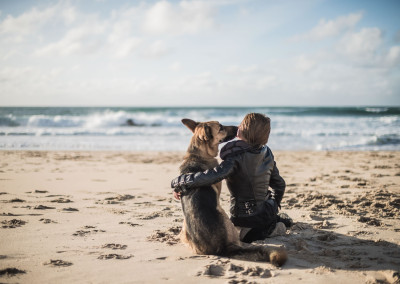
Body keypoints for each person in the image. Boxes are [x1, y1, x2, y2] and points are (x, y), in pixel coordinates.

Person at [171, 113, 292, 243]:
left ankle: (273, 227)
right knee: (265, 214)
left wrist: (181, 181)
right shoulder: (266, 152)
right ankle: (272, 219)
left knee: (253, 231)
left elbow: (212, 176)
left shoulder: (235, 158)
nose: (238, 126)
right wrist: (274, 206)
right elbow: (279, 184)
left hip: (243, 218)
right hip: (264, 210)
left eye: (242, 124)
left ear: (246, 130)